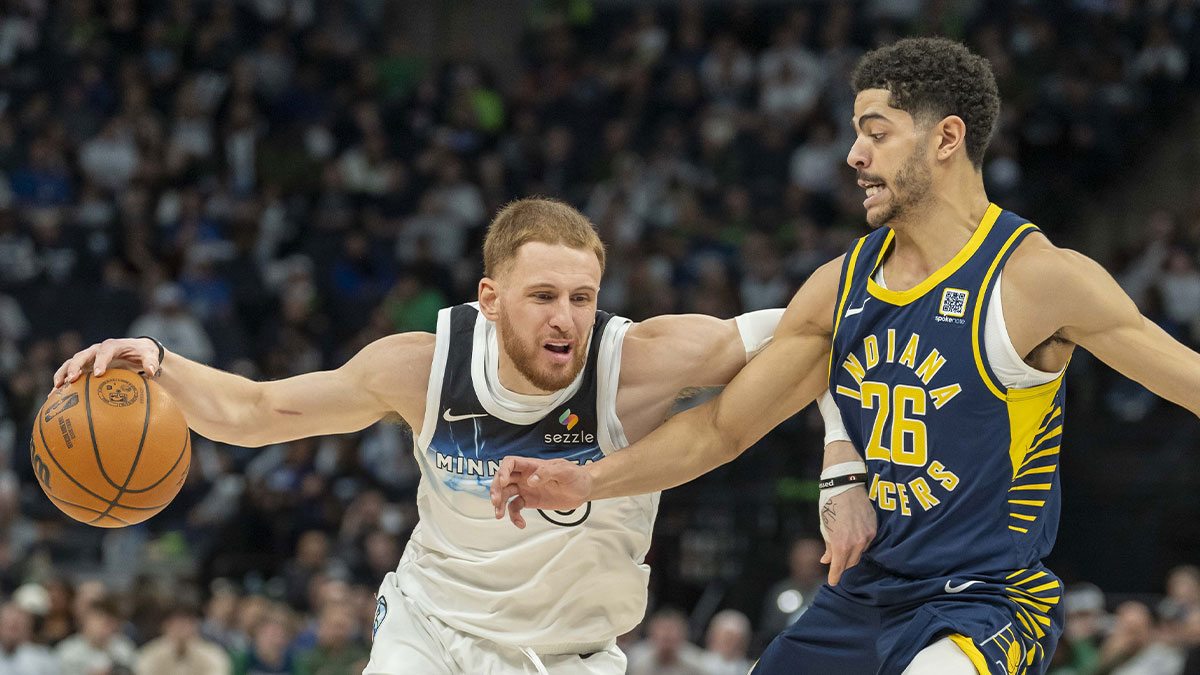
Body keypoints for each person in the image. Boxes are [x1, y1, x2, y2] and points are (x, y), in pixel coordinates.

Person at [490, 38, 1200, 674]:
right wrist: (585, 481)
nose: (855, 155)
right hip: (865, 595)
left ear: (946, 138)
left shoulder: (1038, 279)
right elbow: (722, 428)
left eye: (876, 133)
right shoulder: (838, 287)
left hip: (987, 602)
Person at [52, 197, 786, 674]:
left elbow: (825, 324)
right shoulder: (422, 367)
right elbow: (254, 410)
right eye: (542, 296)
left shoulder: (641, 364)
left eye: (582, 296)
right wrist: (161, 360)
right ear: (491, 300)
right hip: (430, 628)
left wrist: (846, 463)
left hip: (569, 653)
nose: (566, 317)